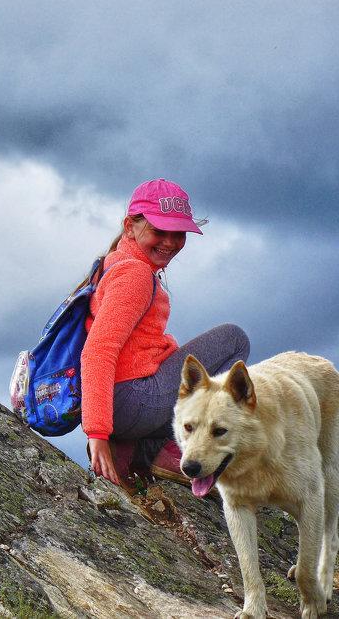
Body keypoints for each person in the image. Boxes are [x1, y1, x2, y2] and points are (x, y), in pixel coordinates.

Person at [81, 178, 249, 489]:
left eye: (179, 233)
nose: (170, 242)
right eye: (159, 231)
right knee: (234, 339)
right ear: (130, 226)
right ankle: (176, 450)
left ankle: (134, 450)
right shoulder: (134, 274)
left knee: (177, 361)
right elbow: (98, 351)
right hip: (129, 402)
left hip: (122, 405)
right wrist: (97, 435)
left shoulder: (114, 262)